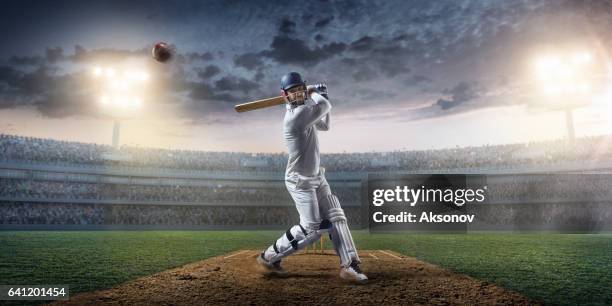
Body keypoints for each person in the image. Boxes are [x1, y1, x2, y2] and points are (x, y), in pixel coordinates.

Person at [256, 72, 367, 283]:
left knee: (336, 215)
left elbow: (324, 124)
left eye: (300, 88)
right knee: (312, 230)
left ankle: (349, 266)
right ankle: (268, 257)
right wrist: (317, 93)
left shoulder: (305, 111)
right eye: (292, 91)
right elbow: (324, 107)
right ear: (284, 95)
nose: (297, 93)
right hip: (300, 181)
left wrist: (322, 96)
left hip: (317, 176)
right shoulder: (295, 118)